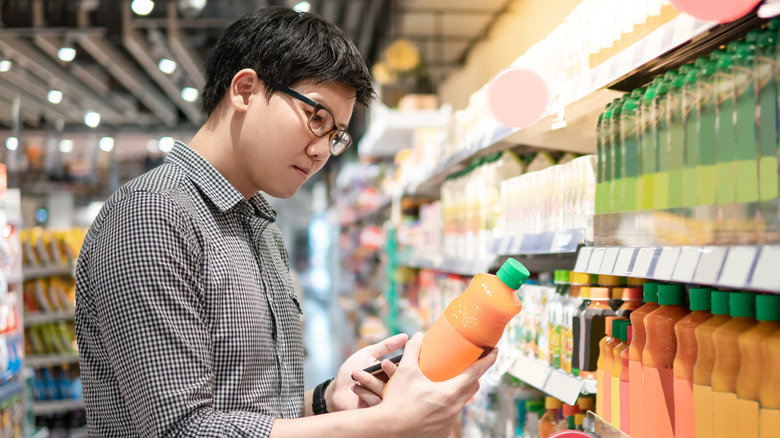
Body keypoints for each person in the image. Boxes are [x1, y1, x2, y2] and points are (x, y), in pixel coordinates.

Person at [74, 6, 496, 438]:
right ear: (244, 90)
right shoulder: (153, 214)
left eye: (336, 136)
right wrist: (385, 422)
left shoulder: (262, 230)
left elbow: (250, 405)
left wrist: (328, 399)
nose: (321, 151)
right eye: (317, 118)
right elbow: (179, 429)